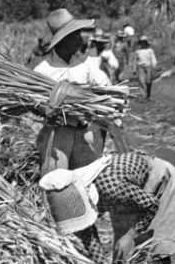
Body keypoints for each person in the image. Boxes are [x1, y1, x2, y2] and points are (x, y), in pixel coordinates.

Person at [39, 150, 175, 264]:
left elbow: (151, 204)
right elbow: (87, 232)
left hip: (159, 182)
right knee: (123, 253)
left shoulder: (111, 189)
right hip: (130, 192)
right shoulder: (76, 199)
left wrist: (130, 235)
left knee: (160, 244)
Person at [33, 9, 117, 174]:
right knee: (56, 184)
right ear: (63, 40)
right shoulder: (43, 71)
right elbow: (33, 104)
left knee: (87, 181)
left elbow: (103, 87)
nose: (80, 39)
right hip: (56, 136)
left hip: (83, 133)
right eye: (75, 35)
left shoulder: (87, 63)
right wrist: (47, 112)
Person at [134, 35, 158, 101]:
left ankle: (148, 94)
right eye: (142, 43)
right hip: (140, 67)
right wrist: (134, 68)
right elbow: (135, 60)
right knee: (141, 81)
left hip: (148, 66)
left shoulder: (150, 50)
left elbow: (153, 58)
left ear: (146, 43)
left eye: (144, 43)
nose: (143, 44)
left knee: (148, 80)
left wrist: (154, 64)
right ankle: (143, 95)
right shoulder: (138, 51)